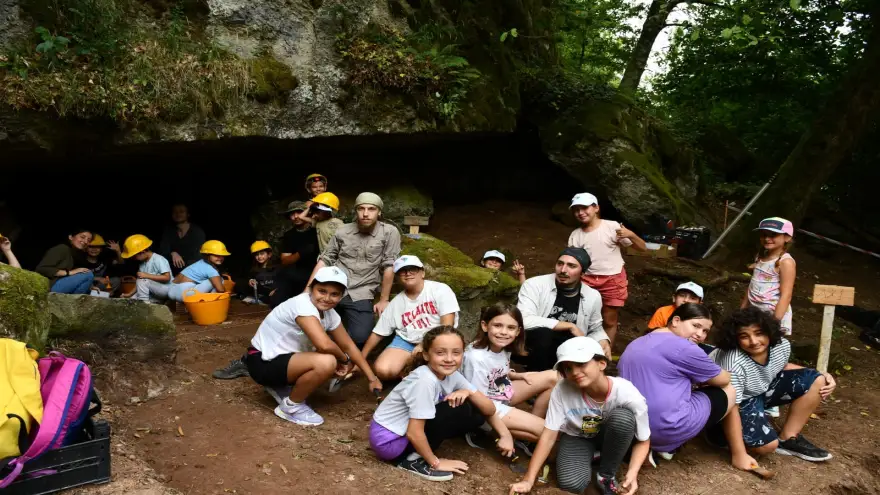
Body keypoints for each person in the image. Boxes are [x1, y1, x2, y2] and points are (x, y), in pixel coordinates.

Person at [618, 304, 757, 471]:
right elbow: (724, 379)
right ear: (676, 321)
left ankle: (643, 446)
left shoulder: (638, 341)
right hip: (664, 428)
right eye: (696, 326)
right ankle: (670, 445)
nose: (700, 335)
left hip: (629, 427)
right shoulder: (685, 347)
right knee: (730, 390)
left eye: (705, 331)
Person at [509, 337, 650, 495]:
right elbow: (549, 435)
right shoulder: (562, 389)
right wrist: (528, 480)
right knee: (571, 483)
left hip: (610, 434)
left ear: (601, 364)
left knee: (623, 419)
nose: (575, 372)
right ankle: (594, 457)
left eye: (581, 364)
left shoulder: (626, 392)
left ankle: (606, 475)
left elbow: (644, 440)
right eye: (568, 368)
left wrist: (633, 473)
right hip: (578, 436)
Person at [246, 266, 382, 426]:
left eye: (334, 294)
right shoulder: (302, 305)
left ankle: (280, 386)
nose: (327, 298)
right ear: (311, 289)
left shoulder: (330, 314)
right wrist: (344, 360)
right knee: (327, 362)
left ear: (341, 296)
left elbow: (348, 345)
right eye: (322, 291)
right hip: (261, 362)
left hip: (280, 359)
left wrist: (372, 378)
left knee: (330, 358)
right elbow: (324, 345)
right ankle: (290, 407)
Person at [369, 326, 497, 482]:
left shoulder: (452, 375)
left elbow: (489, 409)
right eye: (440, 353)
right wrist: (435, 463)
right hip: (389, 442)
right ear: (426, 355)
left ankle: (419, 452)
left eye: (456, 352)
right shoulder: (425, 380)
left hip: (399, 435)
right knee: (457, 408)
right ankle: (413, 461)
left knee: (474, 411)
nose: (449, 359)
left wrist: (468, 392)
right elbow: (414, 432)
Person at [710, 307, 834, 462]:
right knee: (767, 446)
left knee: (817, 380)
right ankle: (718, 434)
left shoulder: (781, 345)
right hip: (733, 400)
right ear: (734, 338)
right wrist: (739, 454)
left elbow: (780, 366)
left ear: (769, 331)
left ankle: (789, 439)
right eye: (744, 336)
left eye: (759, 333)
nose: (754, 341)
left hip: (759, 390)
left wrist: (823, 375)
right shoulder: (733, 361)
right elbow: (731, 403)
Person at [306, 192, 401, 347]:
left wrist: (384, 299)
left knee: (360, 336)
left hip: (361, 291)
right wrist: (307, 290)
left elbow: (389, 264)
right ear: (355, 211)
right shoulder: (342, 231)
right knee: (307, 324)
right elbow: (325, 260)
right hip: (334, 285)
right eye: (361, 209)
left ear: (379, 212)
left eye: (371, 209)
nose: (365, 214)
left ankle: (340, 351)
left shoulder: (389, 232)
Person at [461, 303, 558, 453]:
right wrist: (504, 433)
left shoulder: (502, 347)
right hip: (485, 409)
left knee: (553, 377)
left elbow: (497, 371)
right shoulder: (475, 358)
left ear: (518, 331)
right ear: (485, 326)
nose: (504, 332)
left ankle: (525, 432)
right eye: (498, 326)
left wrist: (517, 375)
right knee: (549, 431)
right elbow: (479, 401)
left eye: (511, 328)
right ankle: (488, 430)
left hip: (500, 391)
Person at [361, 255, 460, 381]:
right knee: (383, 370)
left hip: (438, 339)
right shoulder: (396, 302)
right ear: (397, 278)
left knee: (437, 366)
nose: (408, 273)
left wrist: (425, 344)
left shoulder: (440, 289)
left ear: (422, 273)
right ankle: (409, 371)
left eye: (412, 269)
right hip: (407, 340)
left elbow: (447, 325)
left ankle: (418, 370)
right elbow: (378, 333)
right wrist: (361, 358)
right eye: (403, 271)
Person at [568, 192, 646, 344]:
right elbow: (572, 261)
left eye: (584, 208)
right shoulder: (576, 235)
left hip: (612, 279)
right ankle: (584, 348)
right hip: (586, 279)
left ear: (596, 208)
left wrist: (631, 234)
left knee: (609, 319)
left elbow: (642, 248)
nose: (580, 213)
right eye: (576, 210)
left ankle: (605, 353)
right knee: (584, 316)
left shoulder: (612, 227)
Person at [516, 247, 610, 372]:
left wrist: (602, 339)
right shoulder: (534, 285)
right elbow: (523, 319)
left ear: (583, 272)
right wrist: (569, 326)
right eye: (560, 264)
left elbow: (595, 328)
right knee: (544, 334)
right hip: (532, 346)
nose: (563, 270)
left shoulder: (592, 296)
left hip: (569, 351)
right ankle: (540, 380)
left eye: (571, 266)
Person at [742, 217, 796, 336]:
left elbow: (786, 295)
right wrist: (742, 310)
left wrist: (774, 323)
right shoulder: (760, 256)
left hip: (772, 315)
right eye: (764, 234)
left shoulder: (786, 262)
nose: (767, 239)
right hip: (754, 311)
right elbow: (752, 285)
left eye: (773, 235)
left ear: (787, 237)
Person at [270, 200, 320, 308]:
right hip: (297, 274)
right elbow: (285, 260)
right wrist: (301, 253)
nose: (296, 216)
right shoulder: (289, 235)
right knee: (277, 301)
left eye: (298, 212)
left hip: (317, 273)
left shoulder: (317, 230)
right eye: (292, 214)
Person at [35, 228, 95, 294]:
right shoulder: (62, 248)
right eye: (82, 237)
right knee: (88, 274)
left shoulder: (75, 254)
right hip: (49, 286)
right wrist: (69, 272)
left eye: (88, 240)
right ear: (71, 237)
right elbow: (41, 269)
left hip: (59, 285)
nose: (86, 241)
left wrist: (88, 286)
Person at [120, 234, 172, 303]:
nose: (133, 259)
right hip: (153, 291)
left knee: (142, 282)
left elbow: (167, 278)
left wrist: (146, 275)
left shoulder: (158, 259)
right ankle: (152, 301)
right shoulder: (142, 263)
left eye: (134, 256)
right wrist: (130, 294)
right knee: (131, 300)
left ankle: (144, 305)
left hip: (166, 289)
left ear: (142, 252)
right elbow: (140, 282)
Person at [158, 203, 207, 275]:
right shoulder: (168, 231)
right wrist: (172, 253)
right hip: (170, 271)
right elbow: (162, 250)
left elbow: (198, 256)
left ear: (188, 214)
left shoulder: (197, 232)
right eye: (175, 212)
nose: (178, 214)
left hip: (192, 271)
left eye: (181, 211)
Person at [245, 240, 278, 305]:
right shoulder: (254, 270)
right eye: (256, 255)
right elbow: (250, 278)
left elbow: (284, 282)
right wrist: (250, 281)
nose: (259, 257)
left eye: (262, 253)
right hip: (261, 297)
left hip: (275, 297)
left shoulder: (277, 268)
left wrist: (278, 290)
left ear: (269, 254)